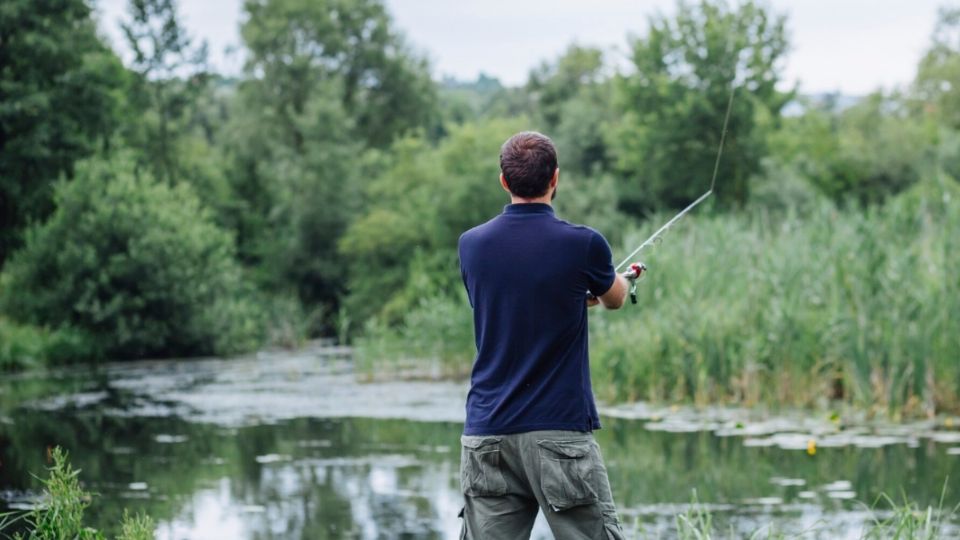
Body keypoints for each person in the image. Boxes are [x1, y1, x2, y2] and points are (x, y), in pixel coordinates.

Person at [457, 131, 636, 539]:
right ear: (555, 178)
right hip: (558, 433)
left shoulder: (471, 245)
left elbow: (508, 303)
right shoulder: (584, 244)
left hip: (487, 433)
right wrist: (618, 281)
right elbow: (615, 299)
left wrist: (575, 297)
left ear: (504, 181)